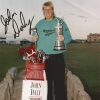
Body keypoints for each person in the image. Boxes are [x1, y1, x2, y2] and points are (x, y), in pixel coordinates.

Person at [32, 1, 72, 100]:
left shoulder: (60, 22)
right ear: (42, 11)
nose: (47, 11)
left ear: (53, 10)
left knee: (59, 83)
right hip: (43, 58)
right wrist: (34, 38)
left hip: (57, 57)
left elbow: (69, 37)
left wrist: (63, 38)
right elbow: (34, 36)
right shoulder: (39, 24)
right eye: (45, 9)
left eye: (49, 9)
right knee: (46, 84)